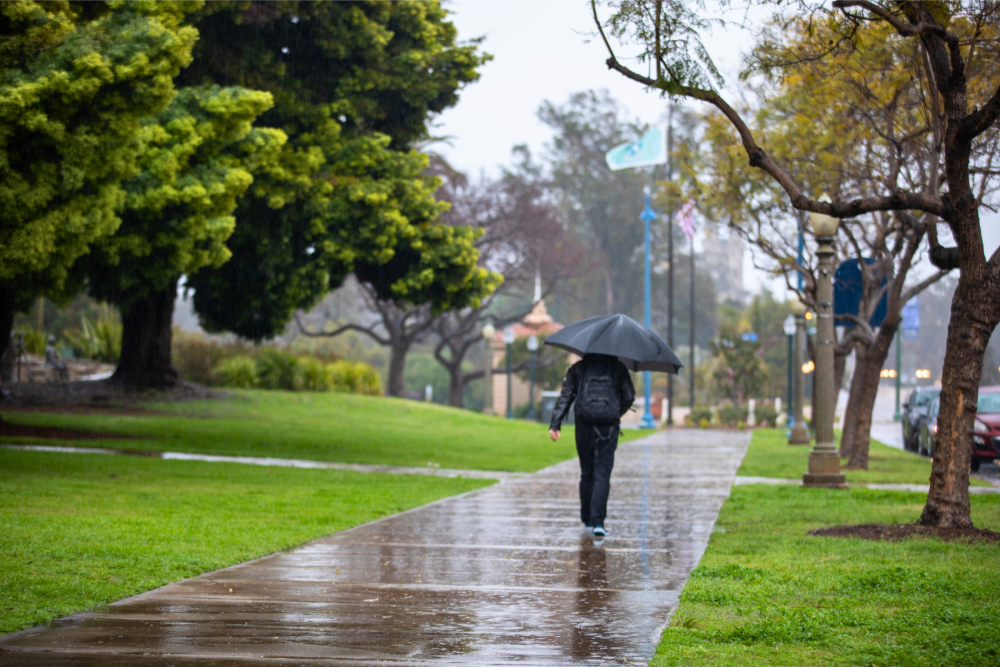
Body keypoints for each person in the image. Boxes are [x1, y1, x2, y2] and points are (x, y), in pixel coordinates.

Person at [549, 353, 635, 537]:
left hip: (583, 425)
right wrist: (615, 412)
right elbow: (629, 395)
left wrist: (555, 424)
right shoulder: (618, 368)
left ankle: (587, 518)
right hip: (609, 427)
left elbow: (566, 395)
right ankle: (598, 523)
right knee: (602, 471)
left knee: (586, 471)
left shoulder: (578, 368)